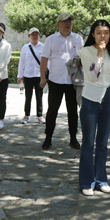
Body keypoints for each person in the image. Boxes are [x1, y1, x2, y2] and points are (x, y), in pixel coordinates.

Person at [76, 19, 110, 196]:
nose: (102, 36)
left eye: (106, 32)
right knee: (88, 142)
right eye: (98, 33)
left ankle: (101, 180)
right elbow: (93, 76)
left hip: (109, 99)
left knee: (103, 143)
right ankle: (86, 182)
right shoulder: (86, 52)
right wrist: (99, 54)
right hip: (91, 99)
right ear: (93, 34)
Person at [40, 13, 85, 150]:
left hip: (72, 81)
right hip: (55, 81)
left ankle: (73, 138)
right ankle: (48, 138)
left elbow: (82, 56)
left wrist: (77, 61)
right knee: (52, 110)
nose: (67, 24)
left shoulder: (78, 38)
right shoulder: (51, 39)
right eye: (64, 21)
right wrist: (42, 78)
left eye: (69, 21)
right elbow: (44, 59)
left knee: (73, 111)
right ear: (58, 24)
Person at [17, 27, 44, 124]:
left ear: (39, 36)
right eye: (33, 34)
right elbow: (21, 62)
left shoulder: (43, 47)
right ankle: (26, 115)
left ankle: (40, 115)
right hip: (28, 75)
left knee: (39, 96)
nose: (35, 36)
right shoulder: (25, 47)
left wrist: (45, 75)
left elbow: (46, 62)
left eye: (37, 34)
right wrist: (20, 75)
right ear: (29, 36)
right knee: (28, 96)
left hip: (39, 76)